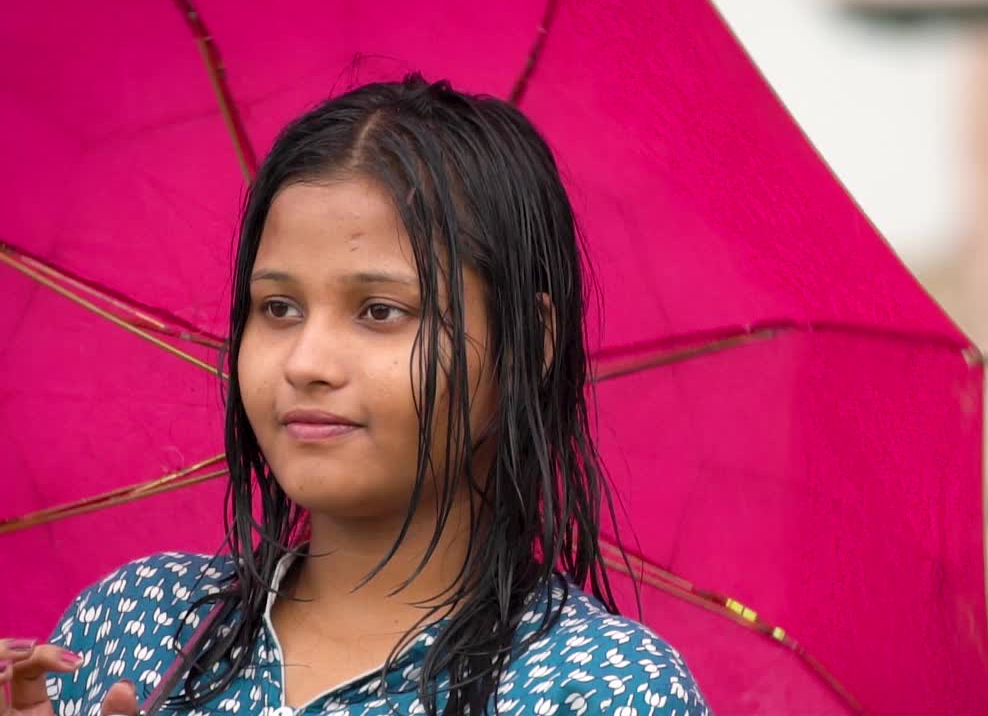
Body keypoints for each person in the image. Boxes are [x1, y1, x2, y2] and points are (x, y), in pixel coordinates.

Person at [0, 74, 710, 716]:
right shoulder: (139, 625)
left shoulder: (597, 691)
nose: (306, 362)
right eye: (278, 308)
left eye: (379, 311)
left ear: (531, 339)